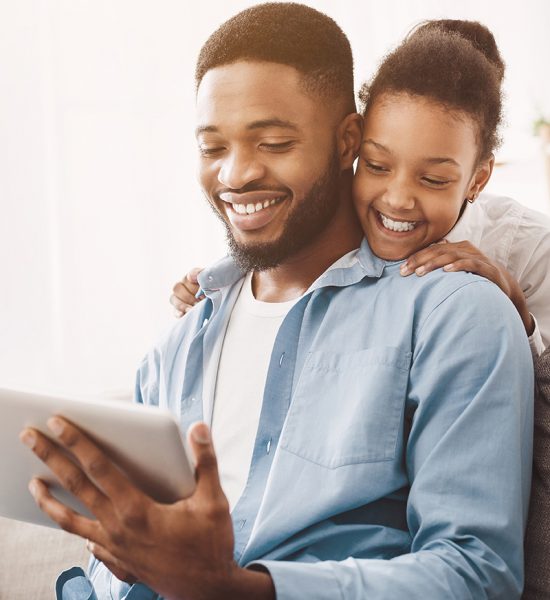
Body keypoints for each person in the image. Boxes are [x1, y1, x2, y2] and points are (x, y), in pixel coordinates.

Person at [20, 4, 533, 599]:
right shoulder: (179, 342)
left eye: (273, 142)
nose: (236, 174)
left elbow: (478, 573)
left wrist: (232, 589)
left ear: (347, 141)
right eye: (213, 148)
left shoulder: (456, 312)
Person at [172, 20, 550, 356]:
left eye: (433, 180)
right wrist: (217, 284)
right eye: (376, 166)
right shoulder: (339, 214)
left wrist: (516, 313)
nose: (397, 199)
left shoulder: (527, 248)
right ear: (353, 146)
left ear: (478, 179)